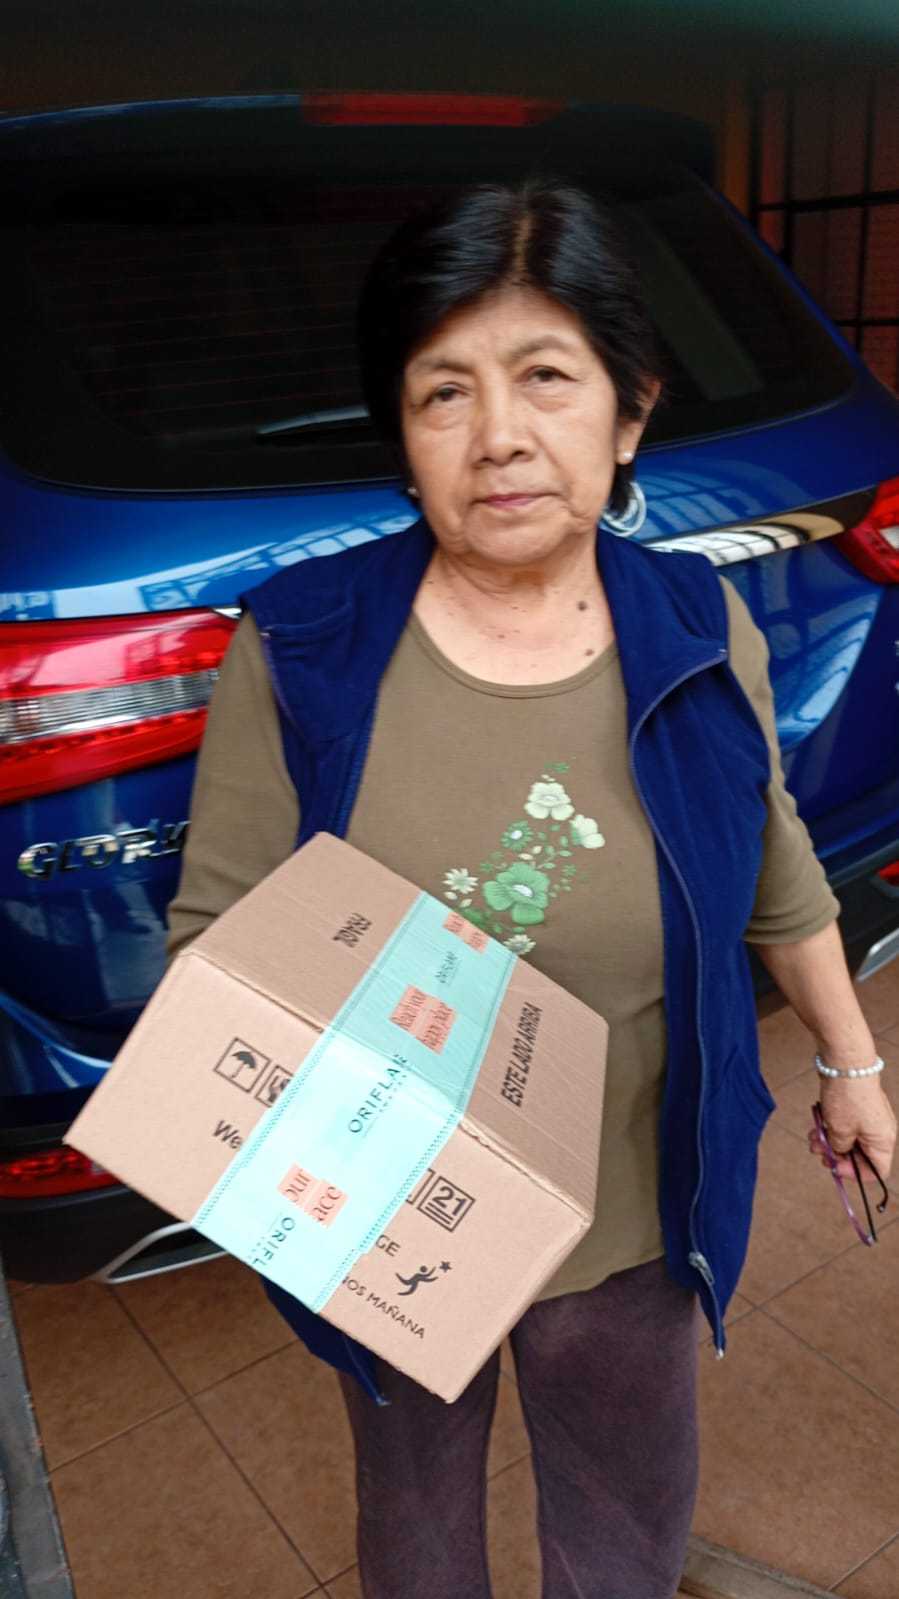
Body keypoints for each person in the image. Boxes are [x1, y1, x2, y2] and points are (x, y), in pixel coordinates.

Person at [167, 180, 897, 1599]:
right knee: (417, 1526)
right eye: (444, 390)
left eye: (547, 377)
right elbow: (218, 942)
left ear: (630, 411)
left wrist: (851, 1060)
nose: (498, 433)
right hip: (386, 1207)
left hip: (633, 1204)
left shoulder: (698, 621)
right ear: (401, 432)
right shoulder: (307, 646)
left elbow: (770, 856)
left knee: (623, 1529)